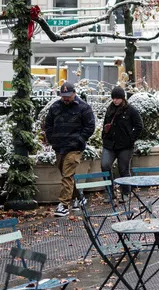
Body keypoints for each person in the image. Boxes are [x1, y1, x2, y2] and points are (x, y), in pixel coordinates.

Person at [43, 82, 96, 217]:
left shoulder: (84, 108)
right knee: (67, 175)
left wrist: (79, 140)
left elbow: (90, 126)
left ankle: (64, 205)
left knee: (67, 175)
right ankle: (79, 197)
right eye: (63, 96)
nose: (66, 98)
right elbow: (48, 124)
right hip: (59, 146)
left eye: (68, 96)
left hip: (74, 148)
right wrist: (51, 139)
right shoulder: (55, 107)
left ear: (74, 93)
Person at [101, 85, 143, 202]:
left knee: (123, 169)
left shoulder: (131, 110)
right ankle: (110, 193)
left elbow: (139, 125)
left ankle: (126, 193)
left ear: (123, 98)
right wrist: (104, 136)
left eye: (117, 98)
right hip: (110, 144)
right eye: (113, 98)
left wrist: (131, 139)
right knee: (105, 165)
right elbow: (105, 123)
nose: (115, 100)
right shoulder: (110, 109)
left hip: (125, 146)